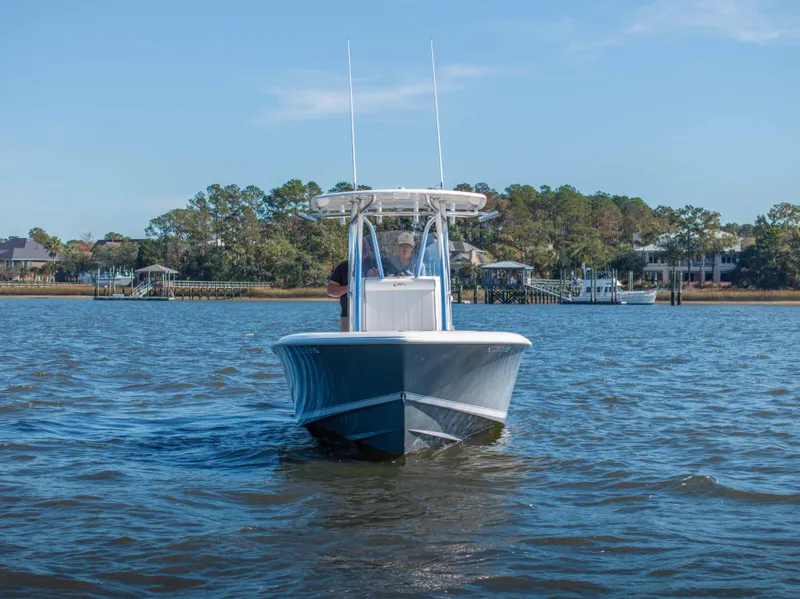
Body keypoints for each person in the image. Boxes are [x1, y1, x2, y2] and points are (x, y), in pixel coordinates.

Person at [327, 240, 377, 332]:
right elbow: (330, 290)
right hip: (348, 316)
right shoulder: (343, 266)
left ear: (369, 249)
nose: (361, 251)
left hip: (375, 314)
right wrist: (348, 288)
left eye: (364, 248)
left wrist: (375, 280)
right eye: (358, 248)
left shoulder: (377, 265)